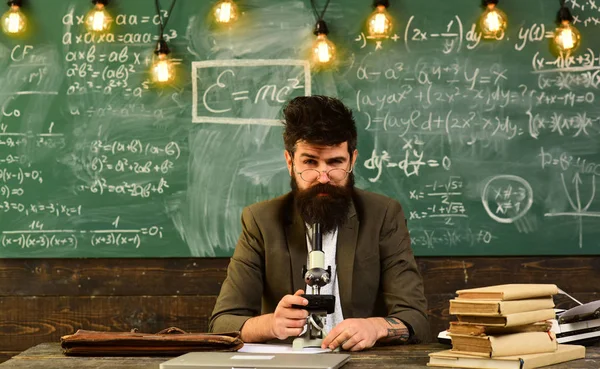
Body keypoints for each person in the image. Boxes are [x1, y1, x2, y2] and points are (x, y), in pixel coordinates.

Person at [209, 95, 430, 351]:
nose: (323, 177)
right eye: (310, 162)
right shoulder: (260, 220)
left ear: (352, 160)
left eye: (335, 162)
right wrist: (271, 324)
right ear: (290, 162)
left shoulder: (383, 215)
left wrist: (376, 327)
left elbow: (416, 320)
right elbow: (221, 324)